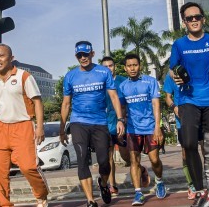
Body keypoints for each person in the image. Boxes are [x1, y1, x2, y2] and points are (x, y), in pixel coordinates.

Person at [169, 2, 209, 207]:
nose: (194, 20)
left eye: (197, 16)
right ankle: (199, 190)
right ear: (184, 22)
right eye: (190, 18)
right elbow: (172, 70)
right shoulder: (179, 45)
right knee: (188, 144)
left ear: (203, 19)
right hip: (188, 100)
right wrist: (177, 77)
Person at [60, 41, 125, 207]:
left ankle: (103, 184)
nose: (83, 58)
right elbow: (66, 103)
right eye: (79, 55)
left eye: (86, 54)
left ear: (92, 54)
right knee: (82, 160)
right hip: (78, 122)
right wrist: (62, 129)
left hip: (99, 123)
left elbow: (114, 97)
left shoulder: (103, 72)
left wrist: (120, 119)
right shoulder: (70, 76)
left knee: (104, 162)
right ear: (76, 57)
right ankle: (90, 200)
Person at [0, 44, 49, 207]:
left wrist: (40, 127)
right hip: (0, 129)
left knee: (28, 167)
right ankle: (2, 204)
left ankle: (41, 194)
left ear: (11, 58)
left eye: (1, 55)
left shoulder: (24, 76)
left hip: (23, 126)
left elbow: (37, 102)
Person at [119, 53, 167, 205]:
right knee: (134, 161)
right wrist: (120, 123)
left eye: (135, 65)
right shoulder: (122, 86)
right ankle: (138, 193)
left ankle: (159, 181)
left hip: (150, 128)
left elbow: (156, 105)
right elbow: (121, 108)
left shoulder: (150, 81)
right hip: (132, 130)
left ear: (140, 66)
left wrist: (157, 128)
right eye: (129, 66)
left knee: (154, 160)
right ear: (125, 68)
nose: (132, 68)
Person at [101, 56, 150, 197]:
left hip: (122, 124)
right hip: (105, 124)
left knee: (127, 158)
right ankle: (113, 185)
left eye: (110, 66)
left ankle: (141, 170)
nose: (108, 69)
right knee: (107, 157)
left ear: (115, 67)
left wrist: (125, 118)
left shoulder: (123, 81)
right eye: (105, 67)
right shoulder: (100, 83)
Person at [163, 72, 197, 200]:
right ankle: (191, 184)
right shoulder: (170, 76)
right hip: (181, 120)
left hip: (198, 115)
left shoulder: (194, 69)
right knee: (186, 151)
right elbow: (167, 97)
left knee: (205, 148)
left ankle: (206, 182)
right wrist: (174, 107)